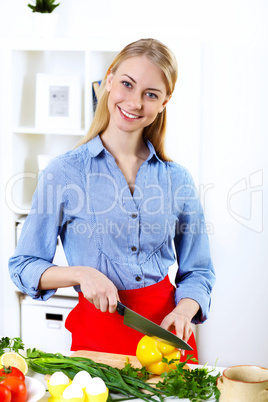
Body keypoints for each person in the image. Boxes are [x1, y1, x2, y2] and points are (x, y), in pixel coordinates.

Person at [9, 38, 215, 362]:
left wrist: (185, 311)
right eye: (127, 84)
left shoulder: (178, 181)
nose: (134, 102)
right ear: (109, 80)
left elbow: (199, 271)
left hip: (165, 339)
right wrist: (80, 274)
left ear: (165, 102)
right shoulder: (63, 173)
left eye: (151, 94)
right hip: (96, 342)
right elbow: (24, 266)